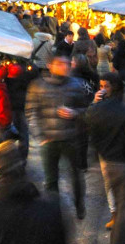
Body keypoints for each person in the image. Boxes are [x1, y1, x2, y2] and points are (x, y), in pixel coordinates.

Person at [84, 72, 125, 244]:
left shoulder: (102, 108)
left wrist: (94, 104)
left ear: (114, 86)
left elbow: (87, 123)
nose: (102, 90)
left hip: (109, 160)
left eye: (105, 86)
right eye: (100, 86)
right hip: (122, 162)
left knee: (112, 206)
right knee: (123, 209)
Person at [26, 54, 91, 220]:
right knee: (51, 180)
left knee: (76, 175)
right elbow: (32, 113)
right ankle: (53, 213)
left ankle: (79, 205)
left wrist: (75, 113)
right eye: (60, 64)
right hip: (49, 140)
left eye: (67, 64)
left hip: (71, 138)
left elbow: (87, 110)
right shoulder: (38, 86)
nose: (65, 67)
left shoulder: (76, 84)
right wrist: (40, 136)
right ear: (50, 66)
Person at [0, 57, 33, 158]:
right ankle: (21, 157)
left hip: (11, 106)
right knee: (22, 133)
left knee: (8, 131)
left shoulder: (6, 79)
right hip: (20, 106)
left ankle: (8, 156)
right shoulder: (24, 75)